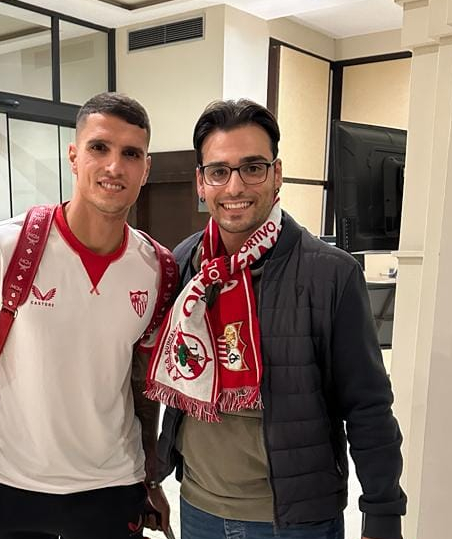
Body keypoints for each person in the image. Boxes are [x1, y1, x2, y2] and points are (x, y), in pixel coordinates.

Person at [146, 99, 407, 539]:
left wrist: (382, 512)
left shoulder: (330, 273)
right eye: (219, 171)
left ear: (277, 174)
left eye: (253, 167)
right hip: (198, 505)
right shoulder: (186, 262)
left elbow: (368, 404)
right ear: (201, 182)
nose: (235, 187)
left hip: (292, 520)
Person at [0, 92, 170, 539]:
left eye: (130, 154)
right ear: (74, 156)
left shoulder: (157, 267)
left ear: (146, 168)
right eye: (99, 147)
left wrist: (150, 478)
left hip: (113, 487)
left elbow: (141, 384)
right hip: (11, 486)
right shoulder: (3, 247)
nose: (114, 166)